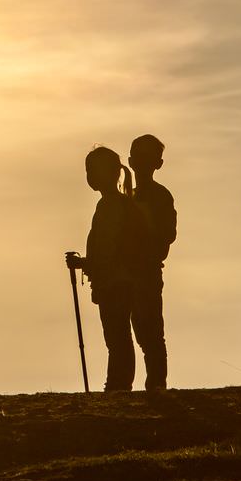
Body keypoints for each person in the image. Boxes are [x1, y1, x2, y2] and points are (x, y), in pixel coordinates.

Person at [66, 146, 153, 392]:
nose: (89, 176)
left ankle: (118, 385)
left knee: (117, 337)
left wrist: (84, 264)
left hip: (117, 281)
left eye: (92, 170)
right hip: (118, 280)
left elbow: (109, 249)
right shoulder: (113, 205)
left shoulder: (112, 207)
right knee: (117, 336)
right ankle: (118, 383)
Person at [128, 134, 177, 392]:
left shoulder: (160, 196)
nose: (143, 163)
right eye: (139, 157)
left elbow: (167, 235)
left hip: (146, 272)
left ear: (157, 164)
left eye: (148, 158)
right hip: (128, 274)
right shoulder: (128, 197)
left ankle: (156, 385)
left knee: (151, 334)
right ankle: (146, 385)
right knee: (139, 333)